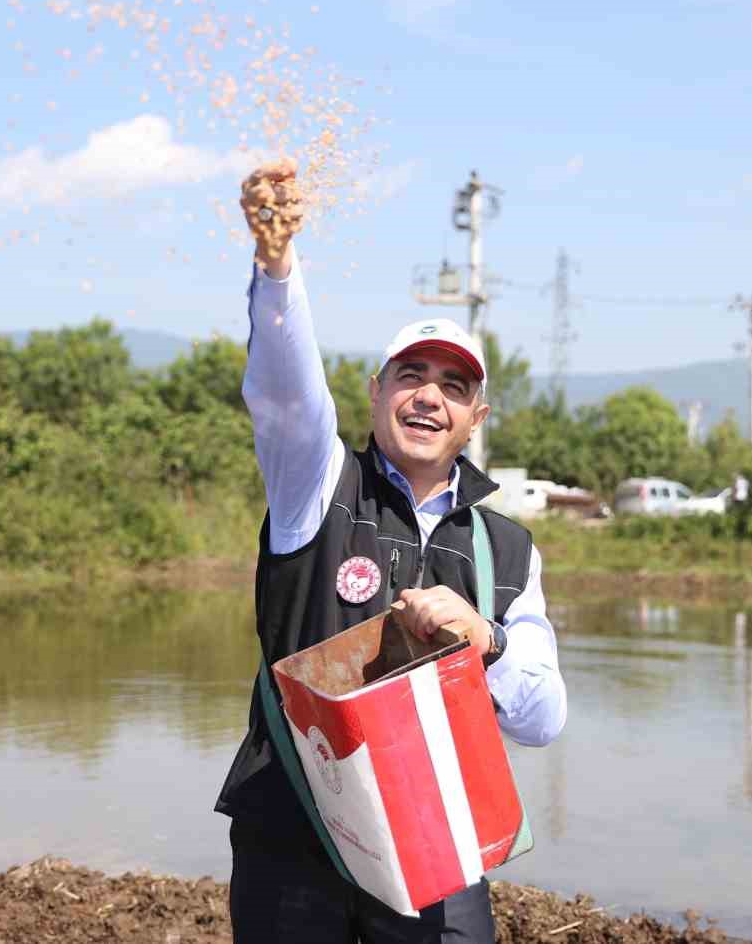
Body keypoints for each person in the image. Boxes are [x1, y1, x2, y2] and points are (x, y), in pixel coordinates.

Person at [216, 159, 568, 944]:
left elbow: (544, 719)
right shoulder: (316, 488)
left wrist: (486, 639)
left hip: (438, 850)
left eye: (452, 386)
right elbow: (286, 397)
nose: (428, 397)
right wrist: (277, 267)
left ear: (475, 416)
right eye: (411, 376)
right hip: (295, 841)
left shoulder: (506, 548)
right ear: (375, 392)